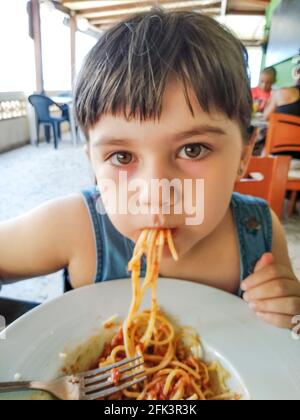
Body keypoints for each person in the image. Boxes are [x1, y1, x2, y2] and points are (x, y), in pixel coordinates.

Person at [0, 10, 299, 330]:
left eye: (193, 149)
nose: (156, 194)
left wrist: (289, 313)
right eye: (122, 157)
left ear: (243, 153)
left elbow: (284, 328)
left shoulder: (259, 233)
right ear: (93, 164)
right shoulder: (75, 227)